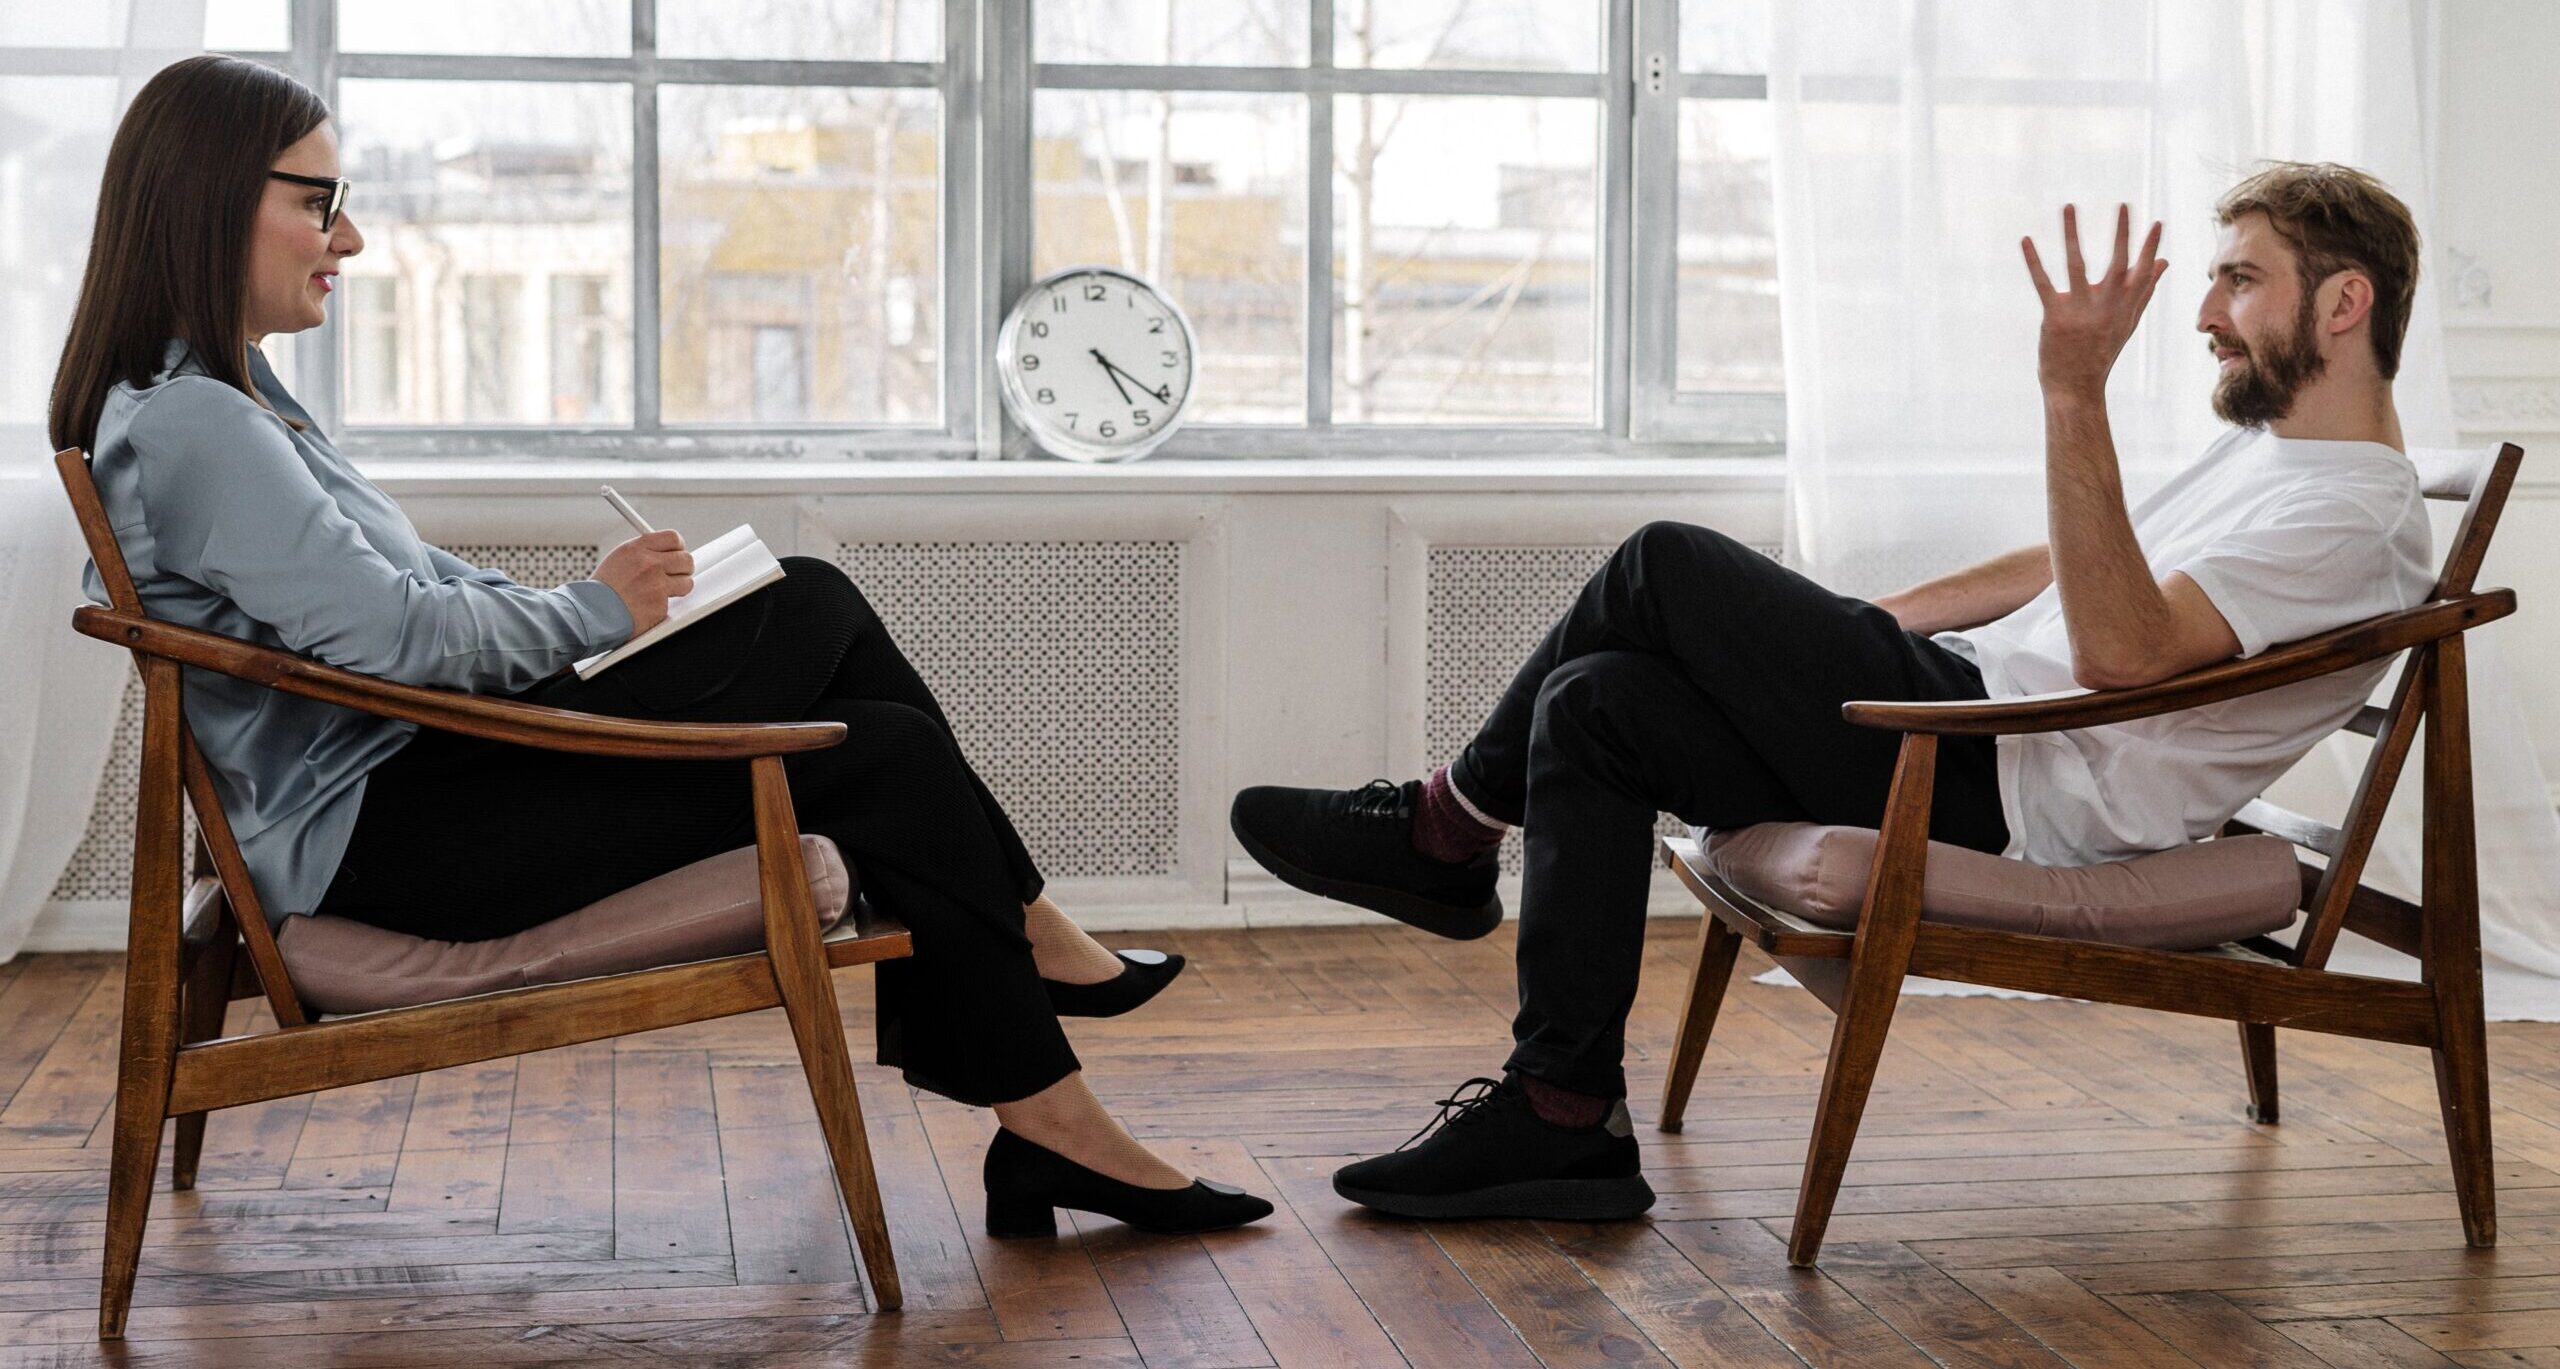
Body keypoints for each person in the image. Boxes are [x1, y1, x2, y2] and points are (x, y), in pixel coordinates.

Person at [52, 54, 1270, 1239]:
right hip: (394, 837)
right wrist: (597, 614)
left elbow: (402, 591)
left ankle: (1049, 1107)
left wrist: (602, 612)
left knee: (862, 700)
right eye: (321, 205)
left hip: (416, 792)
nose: (350, 241)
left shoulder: (230, 399)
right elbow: (395, 638)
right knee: (818, 618)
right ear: (214, 202)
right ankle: (1036, 985)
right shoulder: (202, 422)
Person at [1232, 163, 2435, 1221]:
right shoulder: (2274, 456)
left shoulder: (2349, 517)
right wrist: (1860, 629)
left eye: (2239, 280)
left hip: (2004, 781)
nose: (2206, 315)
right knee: (1594, 699)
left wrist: (2072, 394)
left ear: (2342, 301)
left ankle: (1444, 830)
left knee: (1664, 560)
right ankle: (1562, 1111)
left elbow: (2122, 653)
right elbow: (2071, 562)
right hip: (1968, 715)